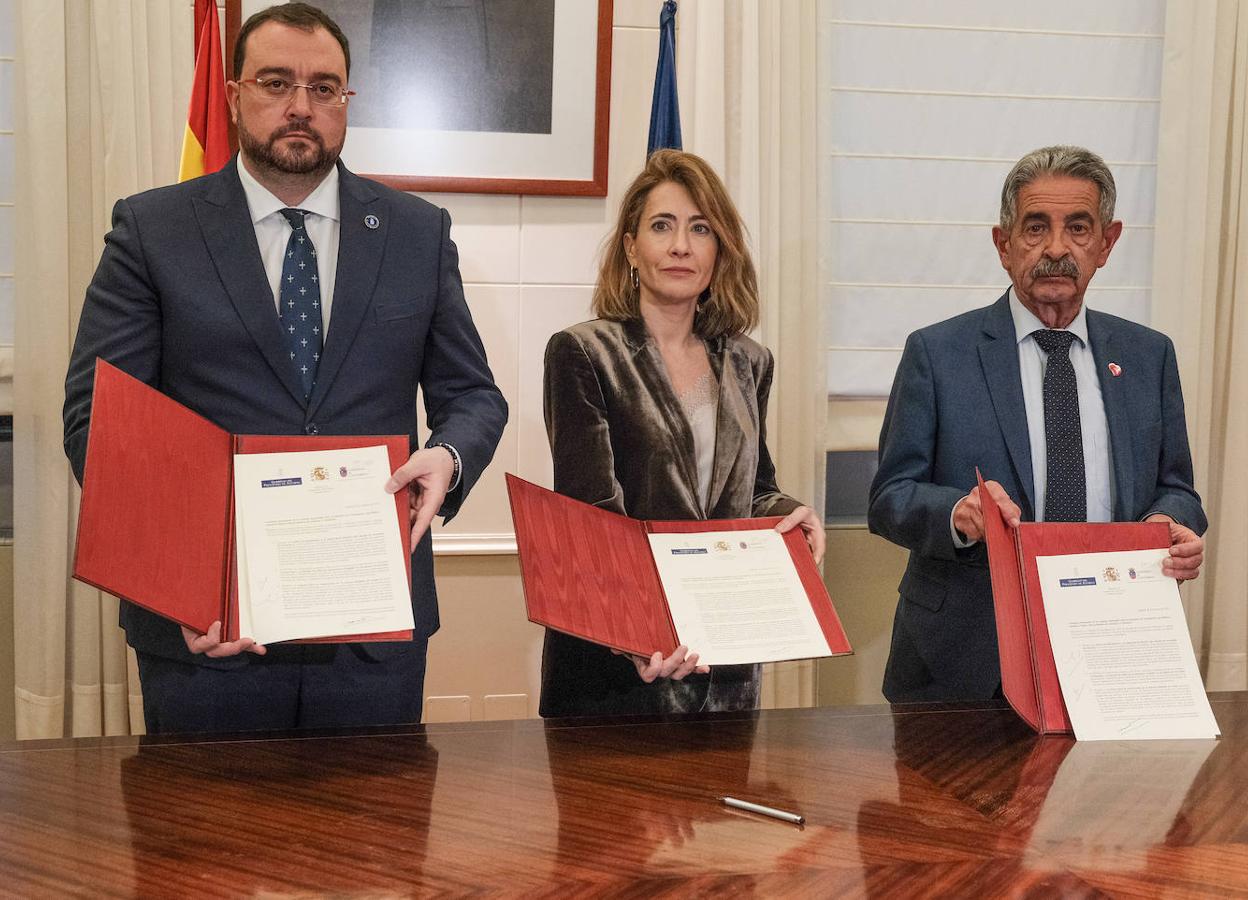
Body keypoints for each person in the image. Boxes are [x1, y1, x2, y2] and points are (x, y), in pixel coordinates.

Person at [62, 3, 506, 733]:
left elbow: (473, 396)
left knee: (375, 846)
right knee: (202, 845)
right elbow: (100, 421)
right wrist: (177, 577)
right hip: (207, 629)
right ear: (235, 96)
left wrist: (450, 457)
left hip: (371, 628)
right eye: (277, 83)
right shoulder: (153, 230)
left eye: (325, 88)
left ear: (346, 103)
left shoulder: (417, 232)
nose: (301, 107)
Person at [868, 145, 1207, 703]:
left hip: (1110, 644)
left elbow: (1177, 487)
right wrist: (957, 513)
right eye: (1035, 227)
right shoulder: (938, 352)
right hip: (964, 660)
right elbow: (888, 498)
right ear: (1004, 245)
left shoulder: (1149, 356)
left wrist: (1166, 524)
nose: (1056, 248)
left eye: (1078, 227)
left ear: (1107, 243)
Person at [540, 149, 824, 718]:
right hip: (617, 665)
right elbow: (591, 516)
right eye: (661, 226)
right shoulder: (583, 352)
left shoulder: (751, 362)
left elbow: (750, 488)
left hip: (724, 666)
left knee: (724, 809)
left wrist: (792, 513)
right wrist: (636, 635)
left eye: (700, 229)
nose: (680, 246)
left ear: (720, 252)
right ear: (630, 247)